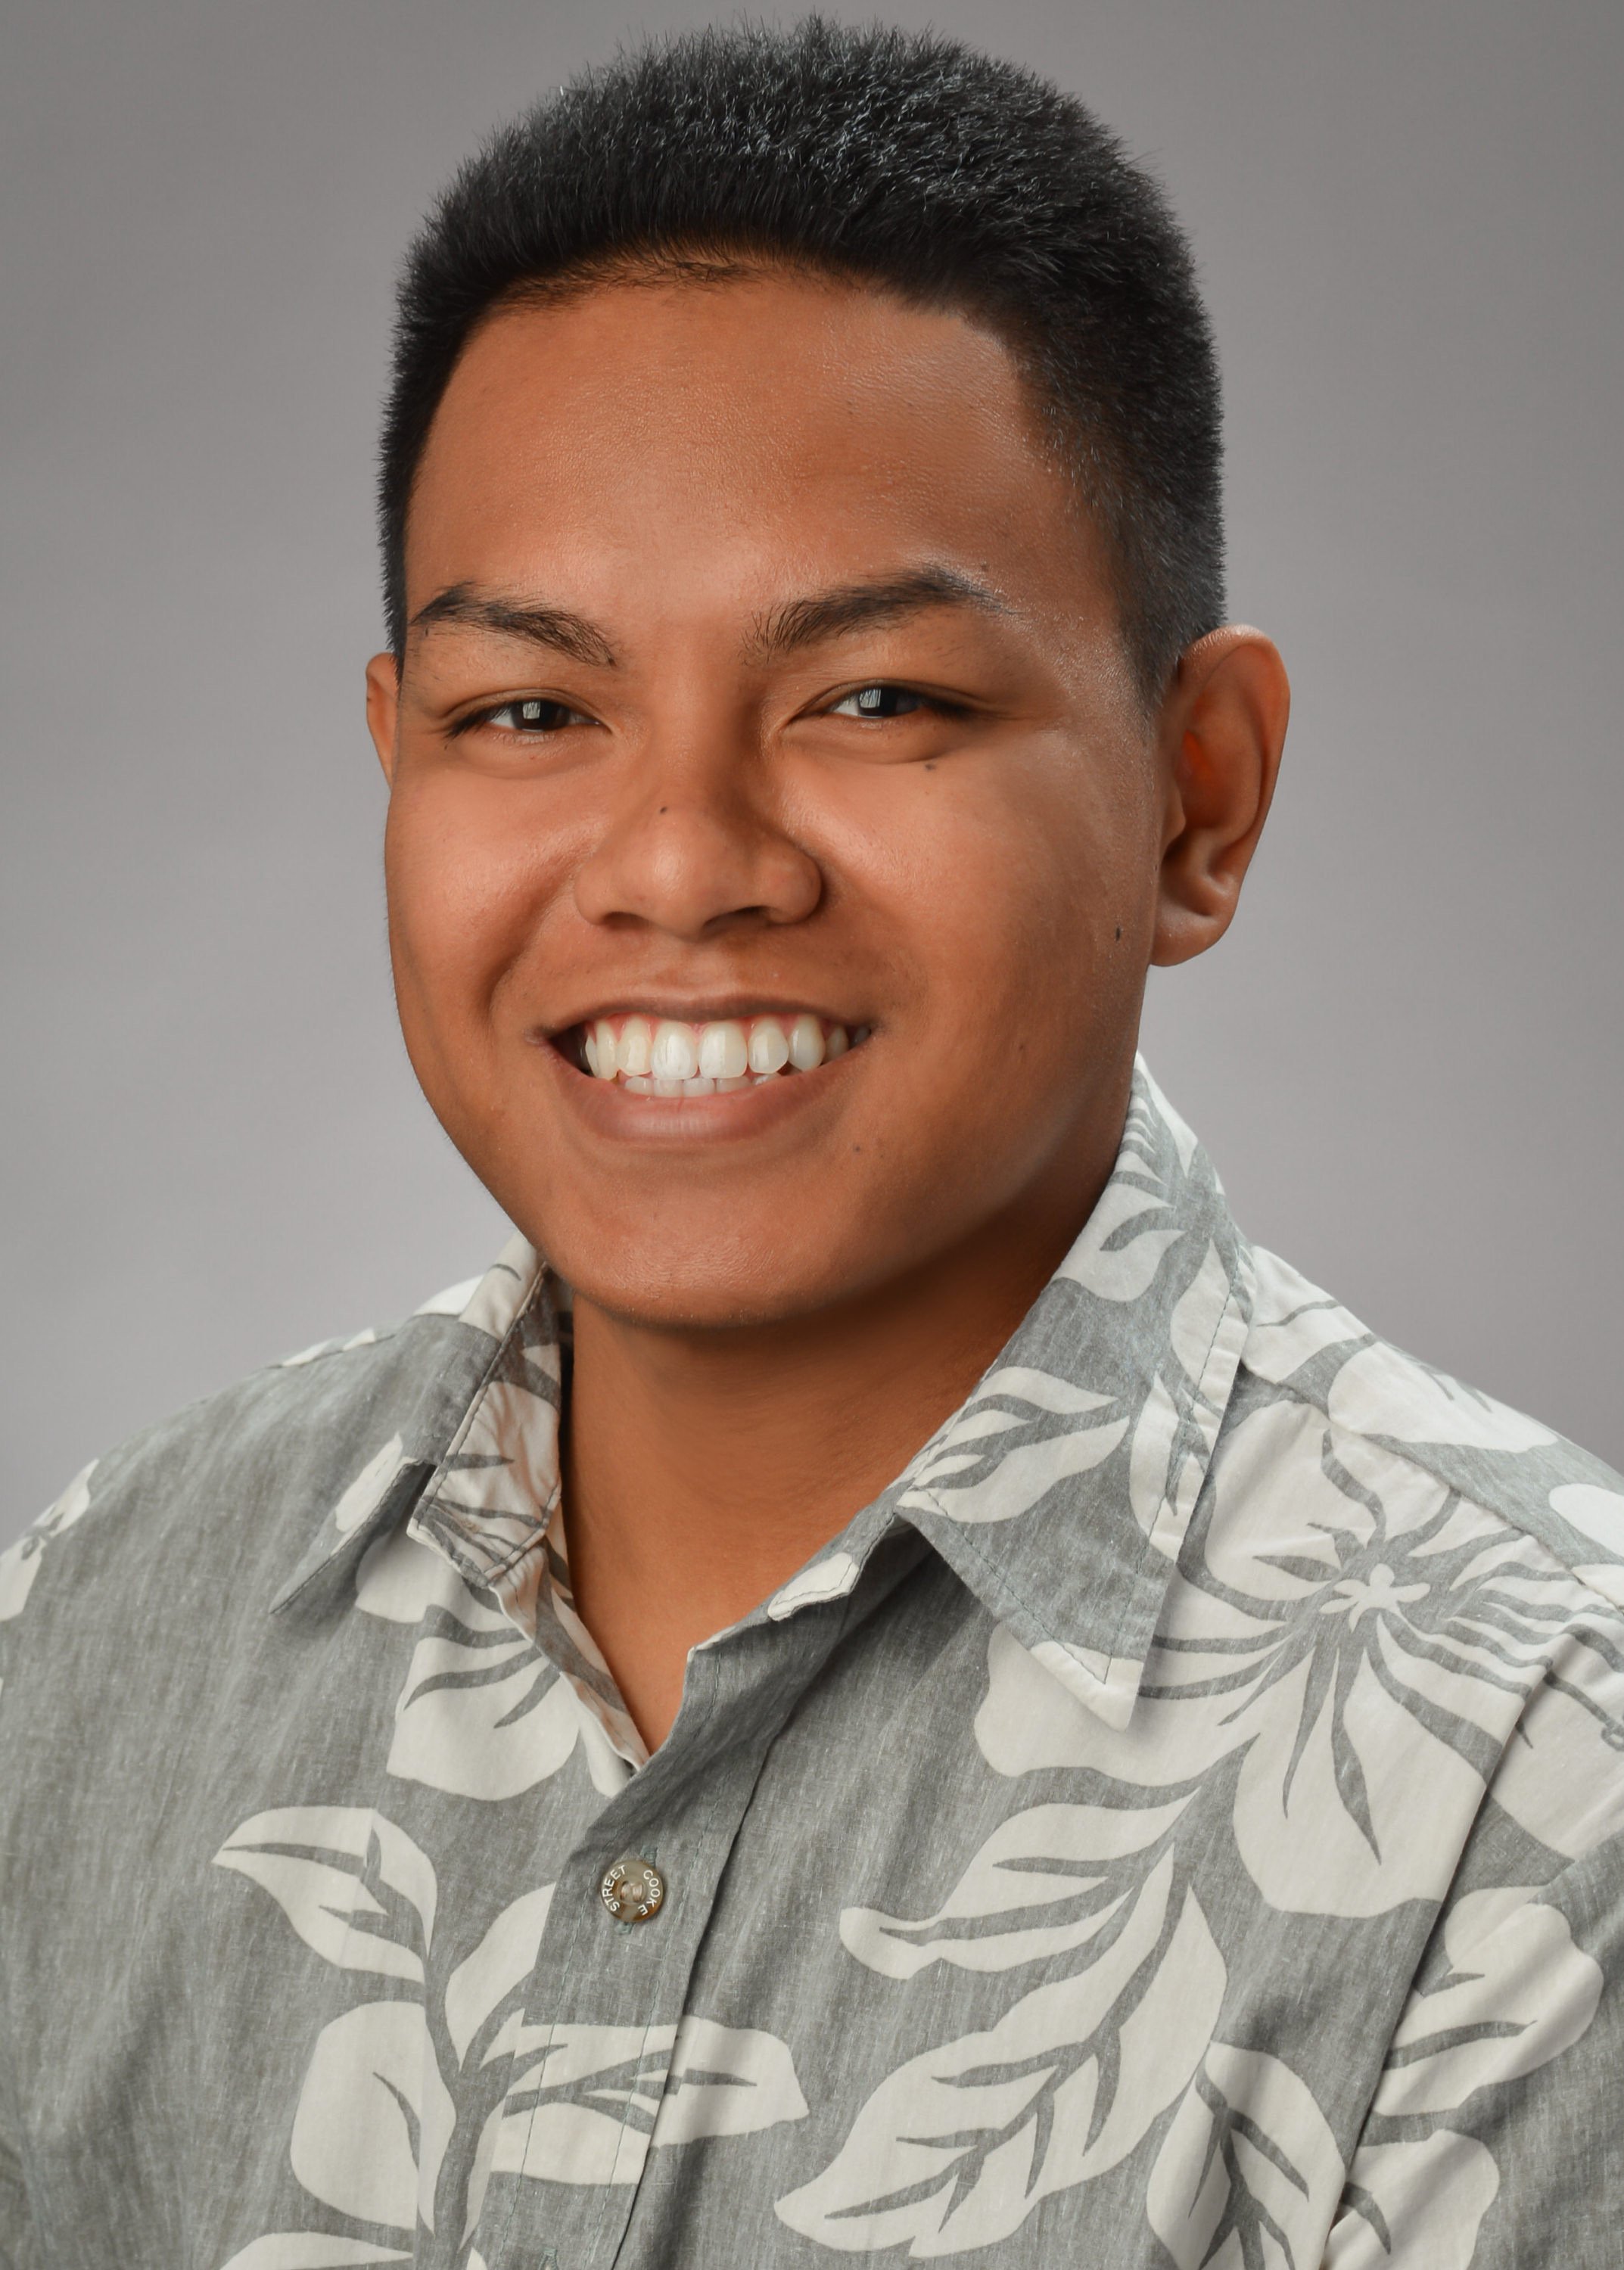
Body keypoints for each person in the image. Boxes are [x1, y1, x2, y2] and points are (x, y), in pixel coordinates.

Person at [2, 17, 1620, 2266]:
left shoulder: (1554, 1784)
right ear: (396, 758)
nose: (678, 861)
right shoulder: (99, 1626)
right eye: (529, 710)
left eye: (876, 700)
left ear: (1198, 793)